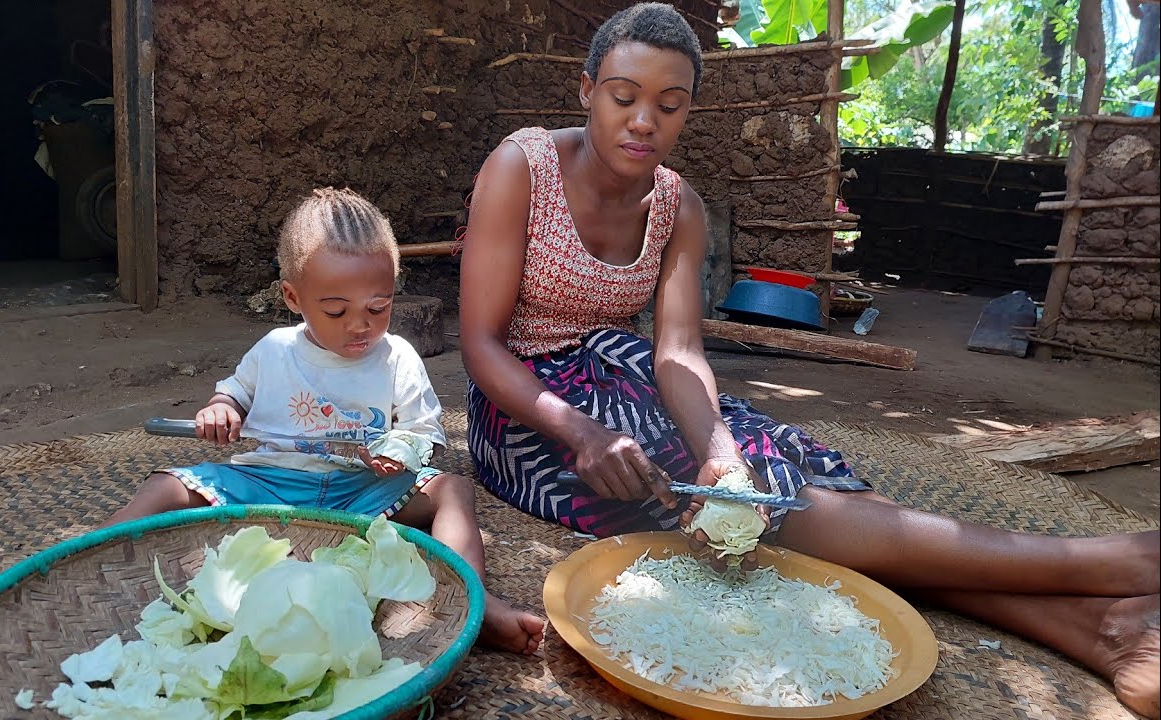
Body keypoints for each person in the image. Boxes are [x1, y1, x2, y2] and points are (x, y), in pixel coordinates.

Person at [457, 3, 1159, 715]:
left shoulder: (680, 207)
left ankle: (1104, 633)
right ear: (586, 91)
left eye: (669, 105)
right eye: (624, 96)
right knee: (761, 511)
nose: (645, 121)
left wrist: (719, 448)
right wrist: (582, 432)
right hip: (529, 408)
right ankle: (1105, 563)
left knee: (766, 479)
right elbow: (480, 342)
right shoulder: (523, 168)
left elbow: (677, 350)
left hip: (625, 368)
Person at [0, 188, 544, 654]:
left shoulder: (398, 356)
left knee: (451, 489)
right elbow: (231, 400)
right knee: (166, 484)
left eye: (377, 307)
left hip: (361, 490)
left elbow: (423, 433)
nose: (360, 324)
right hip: (268, 482)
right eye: (335, 309)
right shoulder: (273, 350)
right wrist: (221, 413)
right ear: (294, 299)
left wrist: (397, 454)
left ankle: (474, 598)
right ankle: (28, 579)